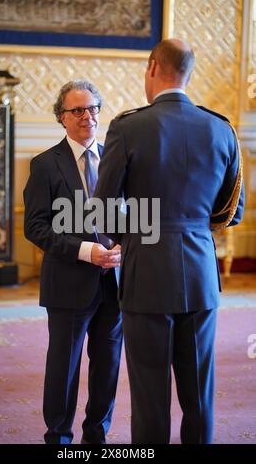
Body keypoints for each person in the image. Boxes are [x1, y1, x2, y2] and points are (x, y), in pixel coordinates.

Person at [94, 39, 244, 444]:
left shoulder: (127, 127)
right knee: (199, 396)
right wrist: (191, 227)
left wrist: (141, 236)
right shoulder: (221, 128)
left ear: (152, 66)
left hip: (146, 279)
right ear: (188, 73)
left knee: (150, 397)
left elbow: (103, 209)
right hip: (200, 276)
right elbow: (233, 210)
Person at [23, 80, 123, 444]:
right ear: (61, 118)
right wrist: (86, 251)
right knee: (64, 368)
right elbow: (35, 227)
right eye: (77, 110)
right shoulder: (45, 165)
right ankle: (59, 439)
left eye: (93, 108)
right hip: (68, 282)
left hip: (114, 282)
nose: (88, 116)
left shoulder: (117, 158)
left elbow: (130, 215)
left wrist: (124, 246)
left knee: (108, 367)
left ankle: (96, 438)